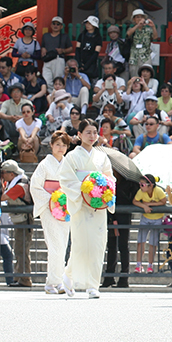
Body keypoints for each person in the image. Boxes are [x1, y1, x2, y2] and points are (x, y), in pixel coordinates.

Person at [58, 118, 115, 299]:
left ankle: (93, 285)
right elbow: (66, 180)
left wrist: (103, 192)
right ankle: (69, 275)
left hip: (98, 207)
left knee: (98, 245)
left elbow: (110, 179)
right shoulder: (72, 156)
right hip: (81, 205)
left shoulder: (102, 156)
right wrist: (85, 190)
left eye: (94, 132)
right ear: (79, 135)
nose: (92, 136)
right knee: (81, 245)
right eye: (88, 132)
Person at [30, 130, 71, 294]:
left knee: (63, 243)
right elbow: (35, 185)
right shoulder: (45, 164)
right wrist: (52, 200)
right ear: (51, 146)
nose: (61, 148)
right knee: (55, 244)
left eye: (64, 145)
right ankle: (56, 281)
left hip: (64, 207)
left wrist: (64, 199)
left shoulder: (68, 164)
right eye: (58, 145)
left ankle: (53, 281)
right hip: (49, 206)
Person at [134, 174, 169, 277]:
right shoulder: (140, 192)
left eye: (143, 184)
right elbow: (135, 201)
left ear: (151, 185)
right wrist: (144, 206)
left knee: (153, 243)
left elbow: (163, 201)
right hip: (145, 218)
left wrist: (150, 204)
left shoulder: (158, 191)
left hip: (157, 219)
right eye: (140, 184)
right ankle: (138, 264)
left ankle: (150, 265)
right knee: (141, 241)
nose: (141, 186)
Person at [41, 15, 73, 85]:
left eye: (58, 24)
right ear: (51, 25)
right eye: (54, 23)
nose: (55, 25)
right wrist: (43, 48)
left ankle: (57, 95)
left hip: (58, 59)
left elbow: (71, 48)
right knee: (46, 81)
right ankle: (51, 95)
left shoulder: (65, 36)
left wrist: (63, 51)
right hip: (47, 59)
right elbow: (43, 45)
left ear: (61, 26)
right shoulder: (46, 36)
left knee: (58, 81)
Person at [126, 8, 157, 75]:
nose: (140, 18)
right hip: (134, 56)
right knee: (134, 76)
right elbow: (128, 34)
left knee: (146, 75)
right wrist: (138, 25)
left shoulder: (148, 29)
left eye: (141, 17)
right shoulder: (132, 29)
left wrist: (153, 27)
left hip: (145, 56)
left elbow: (155, 37)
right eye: (137, 17)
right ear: (134, 19)